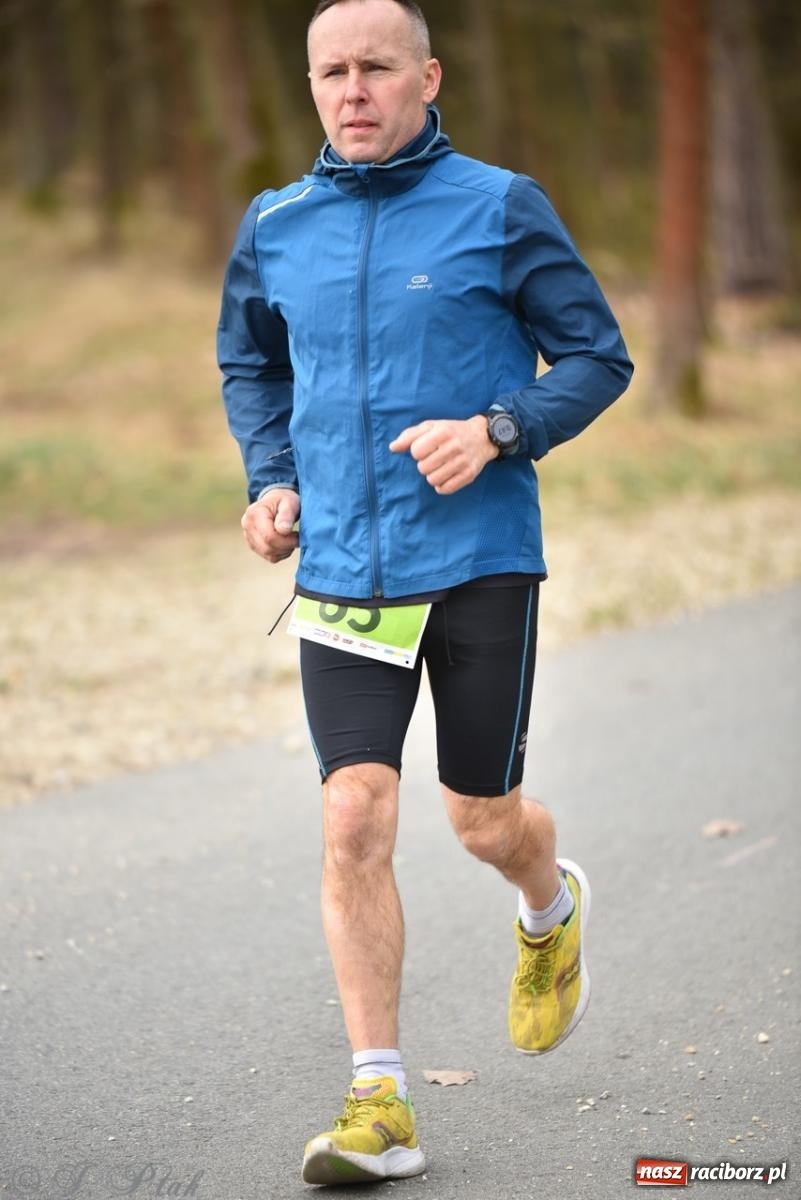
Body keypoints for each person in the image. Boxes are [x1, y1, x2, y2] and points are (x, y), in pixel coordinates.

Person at [217, 0, 633, 1186]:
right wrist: (275, 477)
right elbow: (251, 358)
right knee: (353, 811)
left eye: (376, 69)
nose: (353, 91)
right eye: (331, 72)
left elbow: (600, 355)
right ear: (311, 86)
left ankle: (548, 907)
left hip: (480, 559)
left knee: (479, 820)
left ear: (427, 77)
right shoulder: (275, 223)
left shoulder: (500, 207)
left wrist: (501, 428)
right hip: (345, 569)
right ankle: (380, 1100)